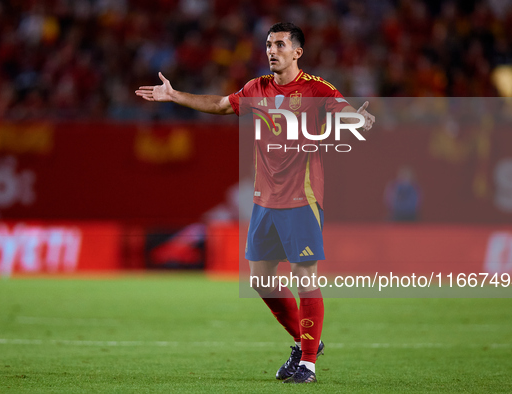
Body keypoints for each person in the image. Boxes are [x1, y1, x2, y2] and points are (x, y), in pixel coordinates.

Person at [136, 22, 375, 384]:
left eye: (280, 44)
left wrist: (358, 118)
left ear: (297, 52)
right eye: (268, 44)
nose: (271, 50)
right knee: (261, 279)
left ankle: (308, 364)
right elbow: (219, 105)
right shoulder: (256, 88)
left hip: (302, 196)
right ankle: (304, 341)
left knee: (303, 276)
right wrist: (174, 96)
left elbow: (343, 111)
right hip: (265, 199)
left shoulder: (315, 88)